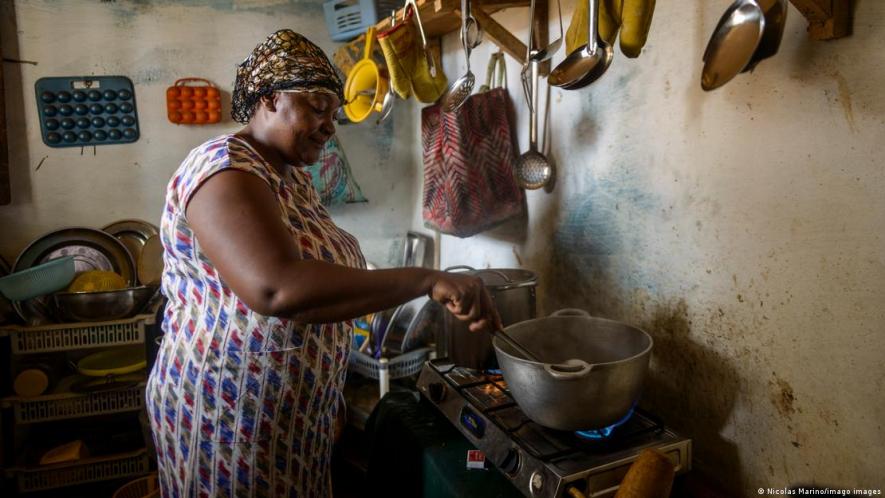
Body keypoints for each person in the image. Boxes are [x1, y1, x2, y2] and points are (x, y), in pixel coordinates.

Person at [145, 30, 500, 498]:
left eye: (334, 113)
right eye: (316, 106)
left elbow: (318, 277)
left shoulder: (290, 178)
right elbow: (277, 290)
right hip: (228, 416)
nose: (330, 125)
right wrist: (427, 280)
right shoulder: (222, 168)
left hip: (288, 414)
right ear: (269, 98)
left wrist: (327, 395)